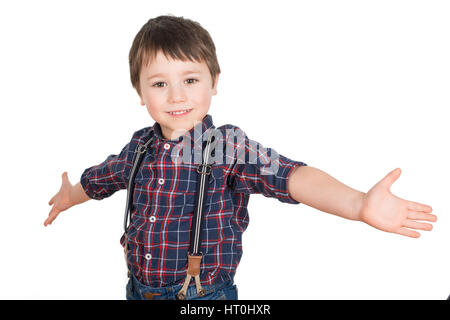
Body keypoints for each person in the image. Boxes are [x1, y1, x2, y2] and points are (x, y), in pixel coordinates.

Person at [44, 15, 437, 300]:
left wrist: (357, 203)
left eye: (190, 80)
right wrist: (68, 196)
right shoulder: (139, 148)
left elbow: (290, 177)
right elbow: (100, 180)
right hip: (137, 290)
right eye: (160, 83)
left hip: (202, 297)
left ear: (214, 82)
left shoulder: (225, 147)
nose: (176, 95)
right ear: (140, 92)